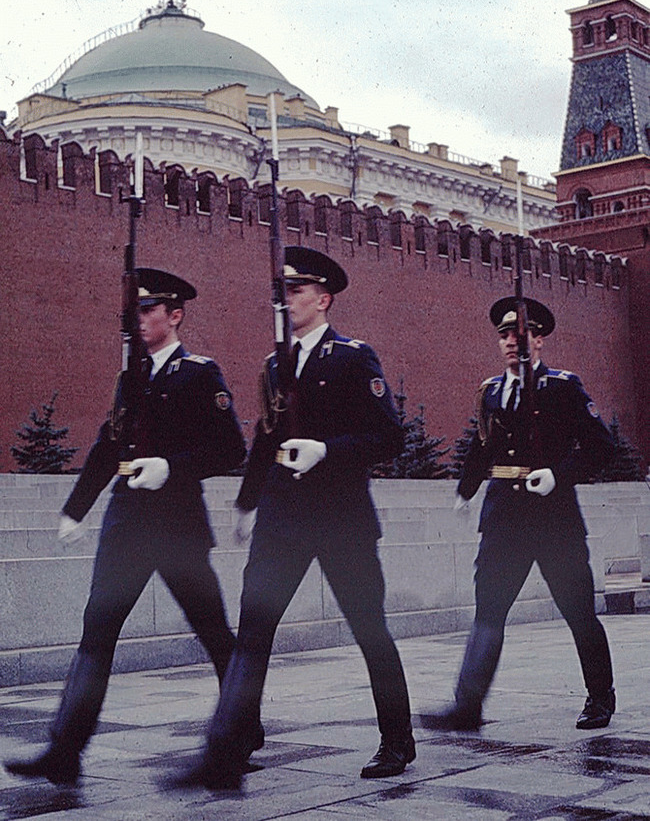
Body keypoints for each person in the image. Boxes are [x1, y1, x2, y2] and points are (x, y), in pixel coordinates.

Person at [174, 246, 415, 790]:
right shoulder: (272, 364)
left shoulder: (353, 357)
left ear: (324, 299)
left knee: (369, 628)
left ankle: (397, 739)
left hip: (341, 516)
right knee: (255, 629)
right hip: (281, 515)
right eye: (282, 291)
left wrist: (328, 450)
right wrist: (246, 500)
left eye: (298, 290)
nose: (287, 299)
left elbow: (389, 436)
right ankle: (234, 740)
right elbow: (266, 436)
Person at [5, 268, 248, 786]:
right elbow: (107, 443)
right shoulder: (129, 377)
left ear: (174, 315)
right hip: (126, 526)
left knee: (213, 634)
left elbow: (232, 449)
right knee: (97, 632)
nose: (138, 320)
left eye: (148, 310)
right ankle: (65, 751)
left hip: (178, 525)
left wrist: (172, 466)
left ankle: (241, 729)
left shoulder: (200, 373)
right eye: (134, 311)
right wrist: (77, 507)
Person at [426, 295, 616, 733]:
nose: (512, 342)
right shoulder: (492, 391)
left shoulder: (563, 387)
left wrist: (559, 476)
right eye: (505, 336)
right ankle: (467, 706)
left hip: (554, 519)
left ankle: (600, 697)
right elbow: (483, 444)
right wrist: (466, 489)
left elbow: (600, 446)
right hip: (504, 519)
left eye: (521, 334)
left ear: (540, 339)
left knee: (578, 611)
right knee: (489, 611)